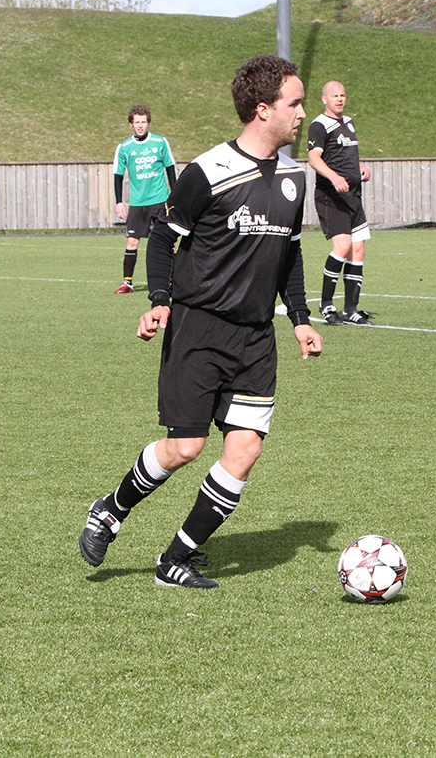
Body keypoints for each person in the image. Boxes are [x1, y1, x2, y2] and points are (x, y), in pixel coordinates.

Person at [79, 55, 323, 589]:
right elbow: (165, 237)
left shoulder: (293, 177)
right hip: (199, 327)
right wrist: (161, 299)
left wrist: (300, 318)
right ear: (263, 110)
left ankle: (175, 558)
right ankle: (110, 510)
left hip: (256, 336)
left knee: (245, 449)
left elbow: (291, 253)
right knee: (184, 448)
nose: (303, 113)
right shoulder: (208, 171)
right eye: (295, 102)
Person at [307, 80, 373, 325]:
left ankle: (351, 309)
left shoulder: (348, 123)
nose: (339, 99)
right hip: (330, 197)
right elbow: (314, 158)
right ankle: (326, 305)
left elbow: (346, 157)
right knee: (343, 246)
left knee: (358, 249)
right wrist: (334, 177)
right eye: (334, 95)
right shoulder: (319, 125)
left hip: (353, 197)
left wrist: (361, 167)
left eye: (342, 95)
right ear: (324, 99)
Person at [112, 105, 176, 294]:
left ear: (148, 122)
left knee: (169, 242)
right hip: (138, 203)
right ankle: (127, 283)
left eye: (143, 122)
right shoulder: (124, 148)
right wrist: (119, 201)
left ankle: (173, 281)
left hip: (160, 200)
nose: (140, 126)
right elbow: (118, 174)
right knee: (132, 241)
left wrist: (175, 197)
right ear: (131, 123)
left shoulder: (160, 142)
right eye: (137, 122)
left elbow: (170, 168)